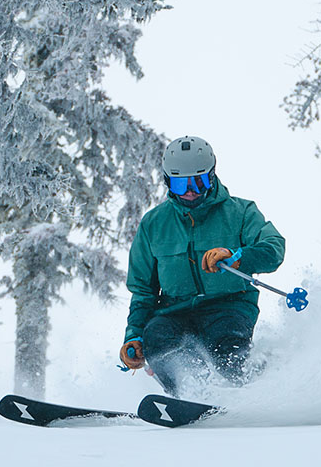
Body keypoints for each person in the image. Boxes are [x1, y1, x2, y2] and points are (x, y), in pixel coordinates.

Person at [118, 135, 285, 396]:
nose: (190, 191)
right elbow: (143, 291)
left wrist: (237, 256)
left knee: (226, 349)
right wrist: (134, 335)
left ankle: (259, 389)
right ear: (167, 182)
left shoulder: (240, 212)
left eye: (199, 181)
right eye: (180, 183)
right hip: (174, 311)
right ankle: (189, 397)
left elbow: (273, 249)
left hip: (229, 305)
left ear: (212, 175)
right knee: (158, 339)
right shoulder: (154, 224)